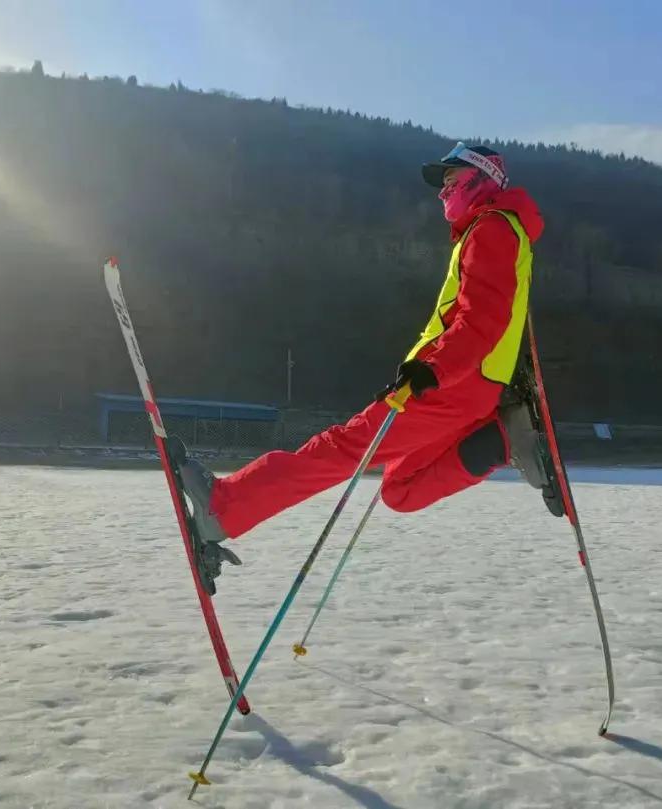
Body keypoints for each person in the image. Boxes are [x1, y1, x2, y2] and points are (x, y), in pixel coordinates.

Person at [175, 143, 549, 581]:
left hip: (452, 382)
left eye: (450, 180)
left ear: (480, 176)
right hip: (472, 385)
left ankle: (223, 508)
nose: (442, 192)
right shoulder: (499, 230)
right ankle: (504, 438)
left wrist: (435, 368)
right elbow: (498, 315)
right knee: (399, 490)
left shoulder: (491, 229)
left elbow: (482, 317)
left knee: (342, 448)